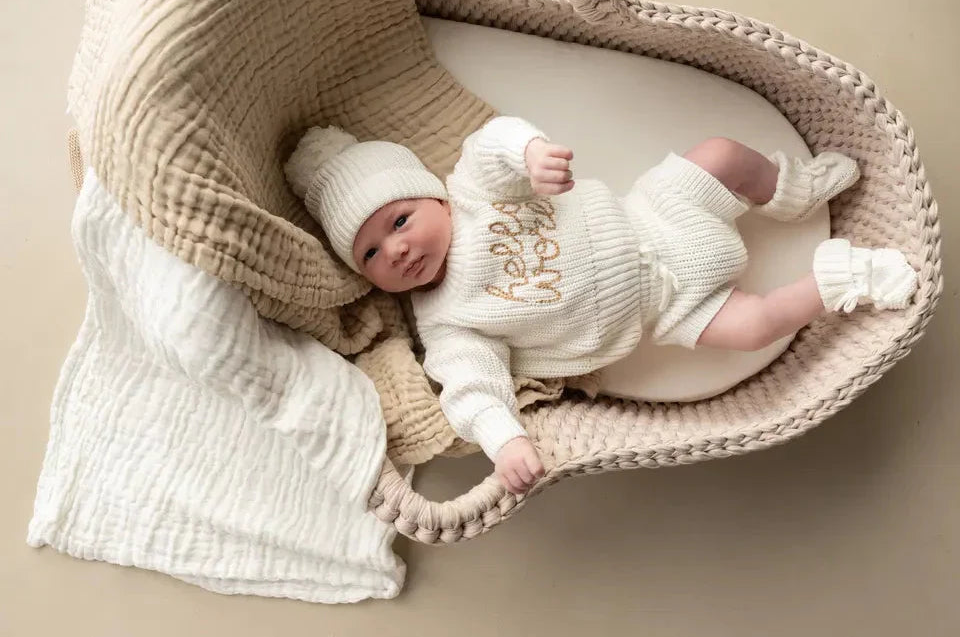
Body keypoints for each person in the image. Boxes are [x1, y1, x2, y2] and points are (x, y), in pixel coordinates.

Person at [285, 116, 918, 496]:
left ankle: (790, 191)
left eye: (399, 220)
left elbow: (492, 141)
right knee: (755, 327)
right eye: (369, 254)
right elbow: (469, 387)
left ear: (433, 199)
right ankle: (839, 282)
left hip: (655, 218)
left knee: (721, 154)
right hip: (665, 308)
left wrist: (531, 156)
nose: (395, 250)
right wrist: (503, 442)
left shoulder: (473, 192)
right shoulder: (447, 321)